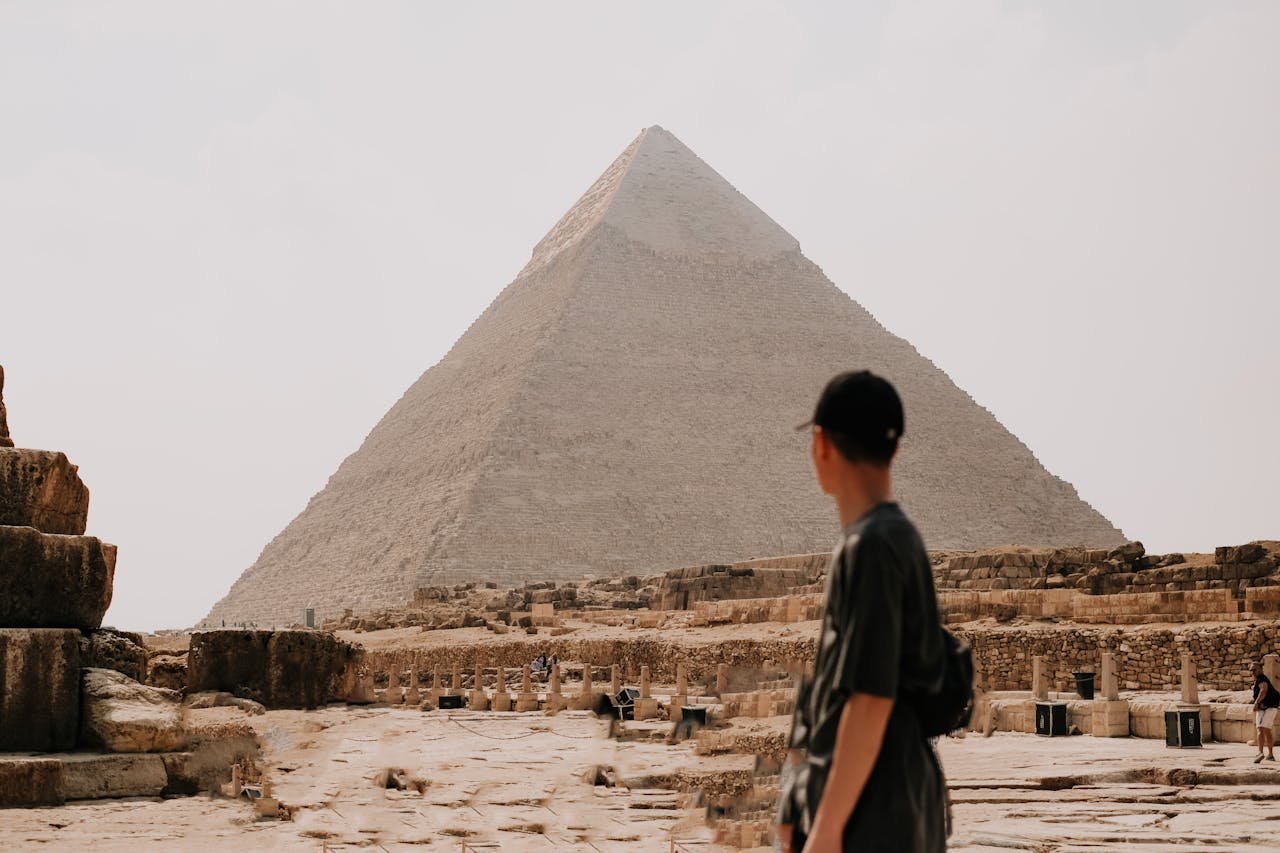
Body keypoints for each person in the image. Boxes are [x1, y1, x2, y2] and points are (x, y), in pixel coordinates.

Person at [776, 370, 947, 853]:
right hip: (888, 798)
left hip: (871, 812)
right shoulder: (889, 539)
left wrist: (827, 828)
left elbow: (871, 696)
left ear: (821, 444)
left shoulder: (873, 546)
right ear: (895, 451)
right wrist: (795, 808)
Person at [1251, 662, 1278, 763]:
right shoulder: (1257, 680)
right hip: (1262, 707)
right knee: (1260, 729)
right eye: (1252, 670)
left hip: (1270, 706)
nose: (1253, 672)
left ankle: (1268, 754)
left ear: (1261, 669)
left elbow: (1264, 690)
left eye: (1255, 670)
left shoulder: (1262, 678)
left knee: (1265, 729)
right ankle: (1261, 753)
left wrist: (1256, 703)